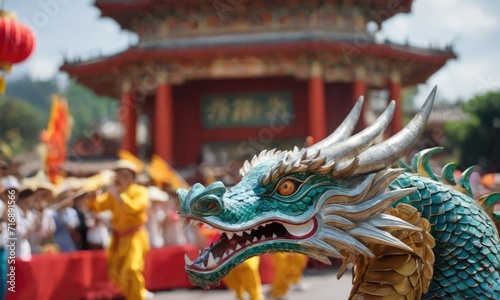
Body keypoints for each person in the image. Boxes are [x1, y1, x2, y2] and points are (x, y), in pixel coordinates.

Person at [87, 160, 151, 300]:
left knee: (132, 269)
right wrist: (93, 196)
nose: (121, 178)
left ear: (132, 178)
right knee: (116, 272)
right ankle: (135, 295)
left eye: (125, 175)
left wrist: (118, 196)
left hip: (135, 236)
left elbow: (134, 208)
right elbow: (99, 206)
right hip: (118, 238)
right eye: (119, 175)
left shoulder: (140, 191)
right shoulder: (113, 193)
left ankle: (139, 297)